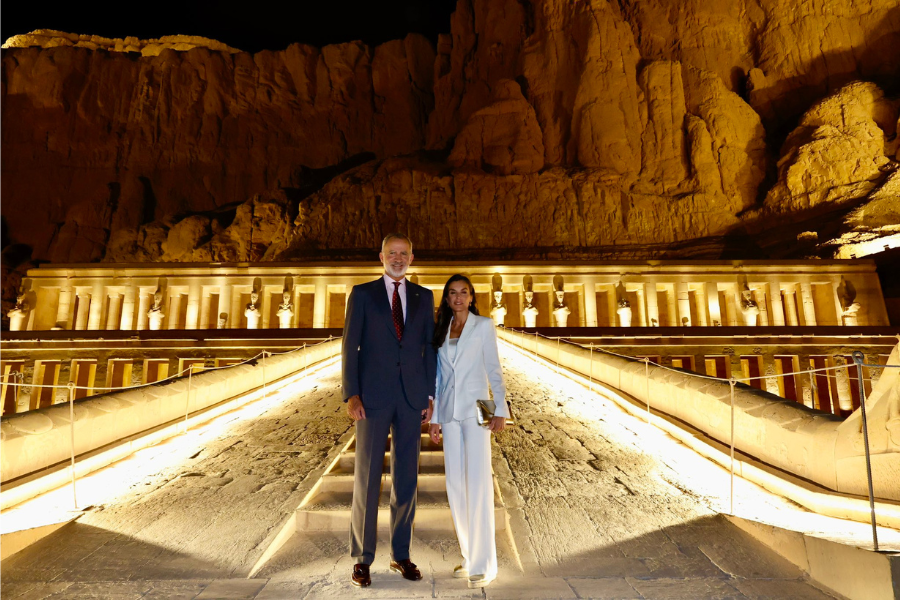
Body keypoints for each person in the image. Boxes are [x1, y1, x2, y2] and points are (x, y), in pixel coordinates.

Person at [342, 233, 437, 588]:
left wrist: (430, 395)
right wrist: (351, 393)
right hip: (372, 398)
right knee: (366, 479)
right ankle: (362, 558)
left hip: (412, 398)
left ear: (412, 257)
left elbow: (430, 348)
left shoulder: (424, 297)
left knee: (407, 479)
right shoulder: (363, 294)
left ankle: (401, 554)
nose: (398, 258)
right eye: (391, 253)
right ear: (380, 256)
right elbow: (350, 345)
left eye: (404, 253)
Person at [428, 274, 509, 589]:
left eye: (464, 292)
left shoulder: (484, 326)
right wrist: (434, 416)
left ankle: (484, 564)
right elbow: (438, 376)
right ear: (447, 299)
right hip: (449, 412)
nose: (458, 298)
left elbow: (494, 370)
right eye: (452, 293)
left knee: (478, 483)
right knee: (455, 484)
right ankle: (468, 555)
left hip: (479, 410)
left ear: (472, 297)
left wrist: (499, 410)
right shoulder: (442, 330)